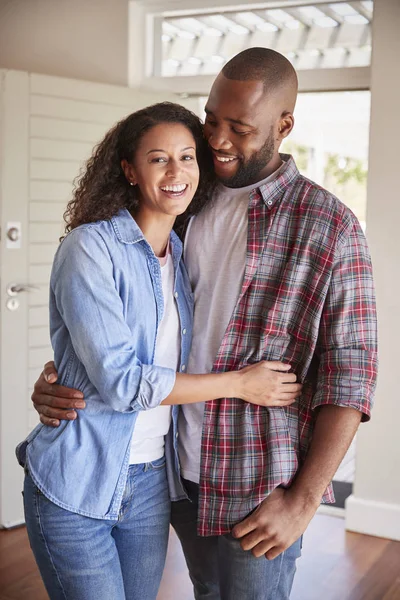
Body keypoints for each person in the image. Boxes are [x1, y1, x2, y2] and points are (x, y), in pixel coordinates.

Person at [31, 48, 377, 600]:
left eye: (239, 128)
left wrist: (305, 500)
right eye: (211, 120)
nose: (216, 139)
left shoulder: (330, 226)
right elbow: (130, 329)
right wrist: (62, 377)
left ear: (283, 125)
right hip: (173, 474)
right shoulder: (189, 199)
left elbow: (351, 375)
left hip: (258, 483)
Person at [17, 101, 302, 600]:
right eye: (158, 159)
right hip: (79, 477)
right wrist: (241, 383)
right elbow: (124, 382)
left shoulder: (185, 248)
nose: (177, 172)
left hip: (152, 482)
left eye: (188, 157)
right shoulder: (89, 248)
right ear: (129, 169)